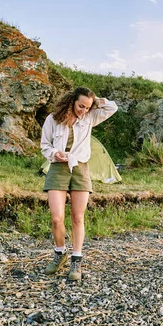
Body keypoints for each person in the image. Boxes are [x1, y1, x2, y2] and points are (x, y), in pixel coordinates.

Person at [40, 87, 118, 281]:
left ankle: (76, 260)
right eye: (80, 105)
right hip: (58, 167)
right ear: (71, 101)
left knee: (78, 217)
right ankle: (59, 253)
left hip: (80, 168)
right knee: (57, 218)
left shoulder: (90, 118)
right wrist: (53, 154)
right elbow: (44, 145)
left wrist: (96, 101)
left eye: (87, 107)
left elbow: (112, 108)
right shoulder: (53, 119)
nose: (83, 110)